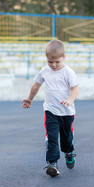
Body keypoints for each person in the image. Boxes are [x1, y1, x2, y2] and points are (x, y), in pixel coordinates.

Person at [21, 39, 79, 177]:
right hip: (51, 110)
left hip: (67, 112)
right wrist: (29, 99)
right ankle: (52, 164)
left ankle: (69, 153)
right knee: (51, 138)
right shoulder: (45, 71)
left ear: (63, 57)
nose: (53, 65)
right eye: (50, 62)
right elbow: (36, 85)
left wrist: (70, 100)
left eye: (57, 62)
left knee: (66, 138)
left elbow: (75, 89)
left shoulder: (68, 72)